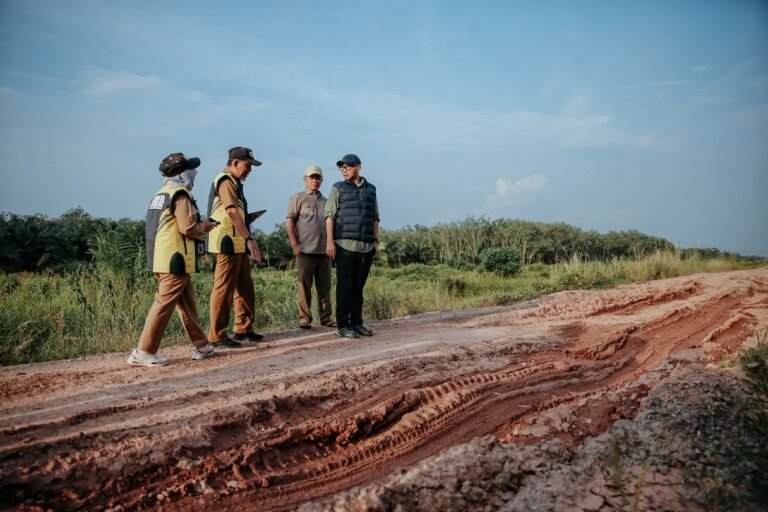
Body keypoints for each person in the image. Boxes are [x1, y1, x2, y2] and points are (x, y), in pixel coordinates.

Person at [128, 153, 218, 367]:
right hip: (174, 258)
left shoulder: (161, 193)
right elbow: (187, 227)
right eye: (190, 169)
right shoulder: (181, 194)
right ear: (183, 173)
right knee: (163, 304)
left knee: (187, 304)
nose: (194, 172)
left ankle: (202, 346)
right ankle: (144, 351)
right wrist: (204, 227)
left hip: (163, 257)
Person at [207, 146, 265, 348]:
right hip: (227, 243)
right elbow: (232, 213)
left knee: (245, 288)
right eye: (248, 165)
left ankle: (243, 328)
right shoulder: (225, 181)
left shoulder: (235, 183)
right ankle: (217, 334)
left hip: (237, 242)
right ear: (234, 163)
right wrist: (250, 238)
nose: (250, 170)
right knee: (223, 290)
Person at [325, 153, 379, 339]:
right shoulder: (337, 188)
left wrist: (375, 240)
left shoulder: (371, 189)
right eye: (342, 168)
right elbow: (329, 217)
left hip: (366, 246)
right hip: (344, 245)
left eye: (347, 167)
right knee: (344, 287)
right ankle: (343, 325)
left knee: (358, 288)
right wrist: (330, 242)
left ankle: (357, 323)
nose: (344, 170)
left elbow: (375, 217)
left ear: (358, 167)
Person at [286, 165, 335, 329]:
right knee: (304, 287)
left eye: (318, 177)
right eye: (312, 177)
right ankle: (305, 318)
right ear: (305, 179)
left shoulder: (326, 201)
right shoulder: (297, 198)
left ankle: (326, 318)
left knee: (325, 287)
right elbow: (290, 221)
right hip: (305, 250)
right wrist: (294, 245)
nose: (315, 180)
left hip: (324, 252)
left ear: (321, 180)